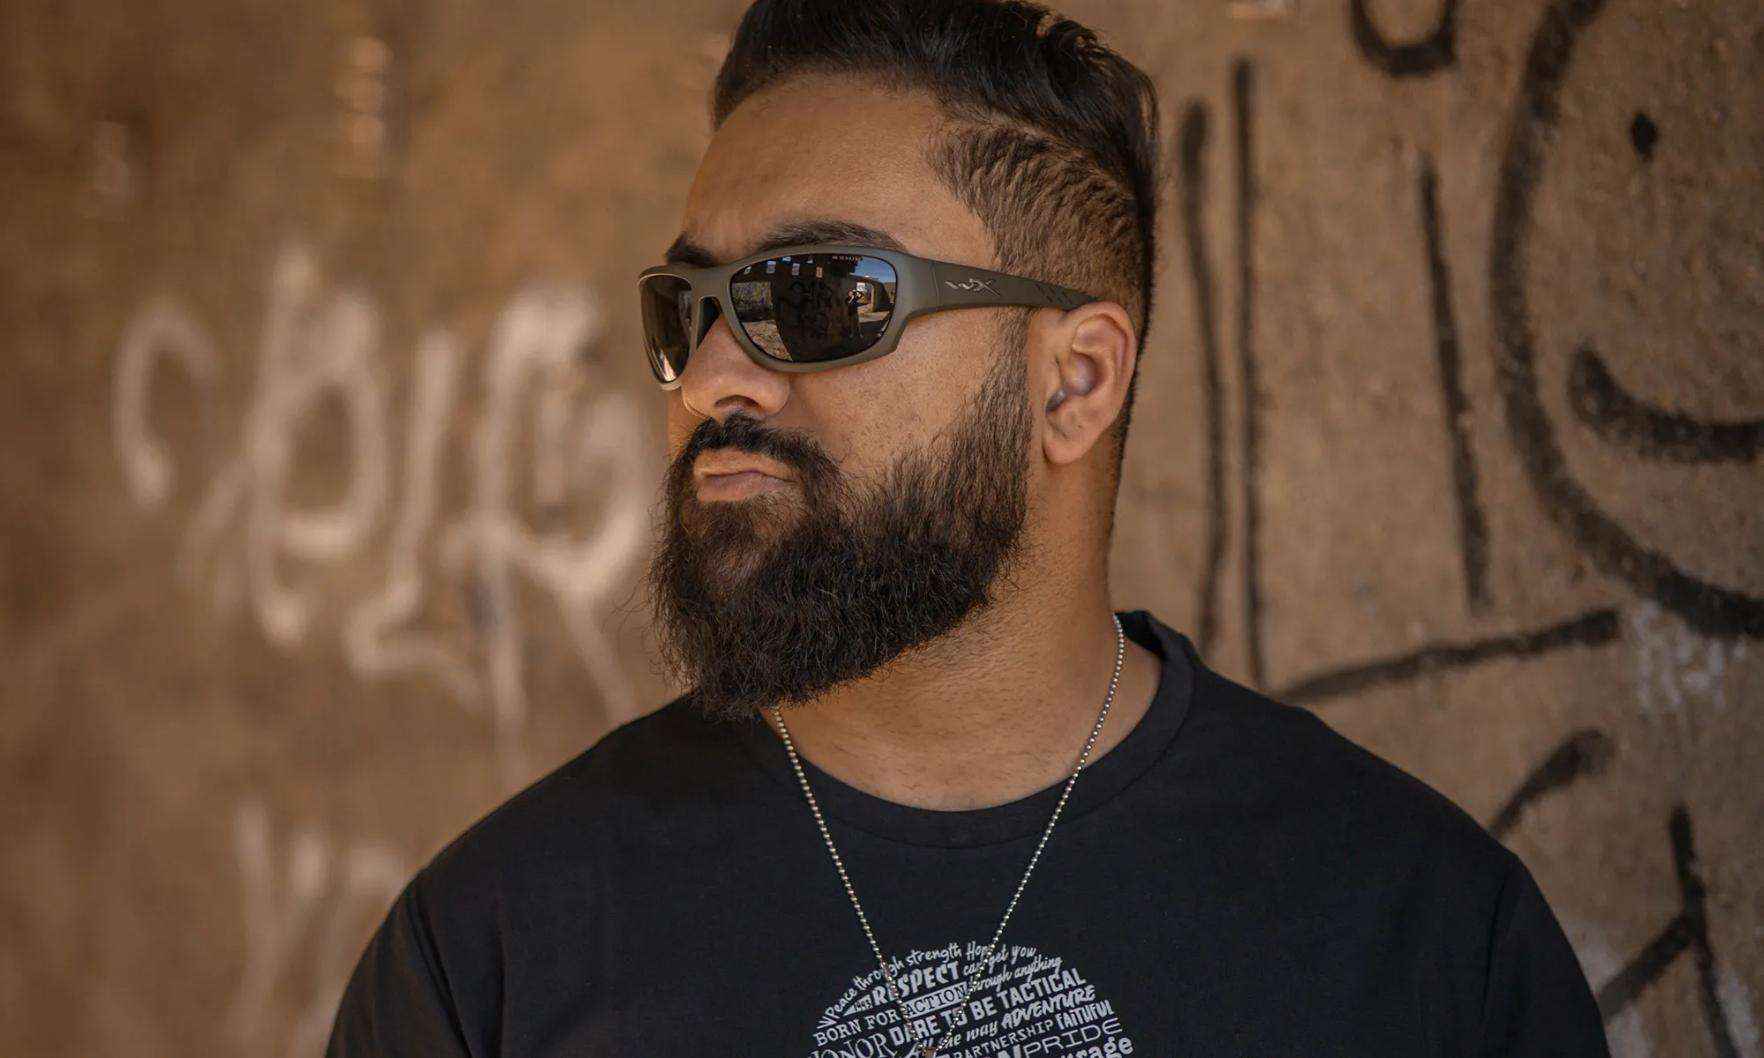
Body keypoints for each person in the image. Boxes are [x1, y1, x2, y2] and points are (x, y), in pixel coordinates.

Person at [326, 1, 1612, 1055]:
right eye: (690, 305)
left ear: (1074, 381)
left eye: (819, 296)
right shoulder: (494, 952)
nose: (713, 376)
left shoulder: (1422, 939)